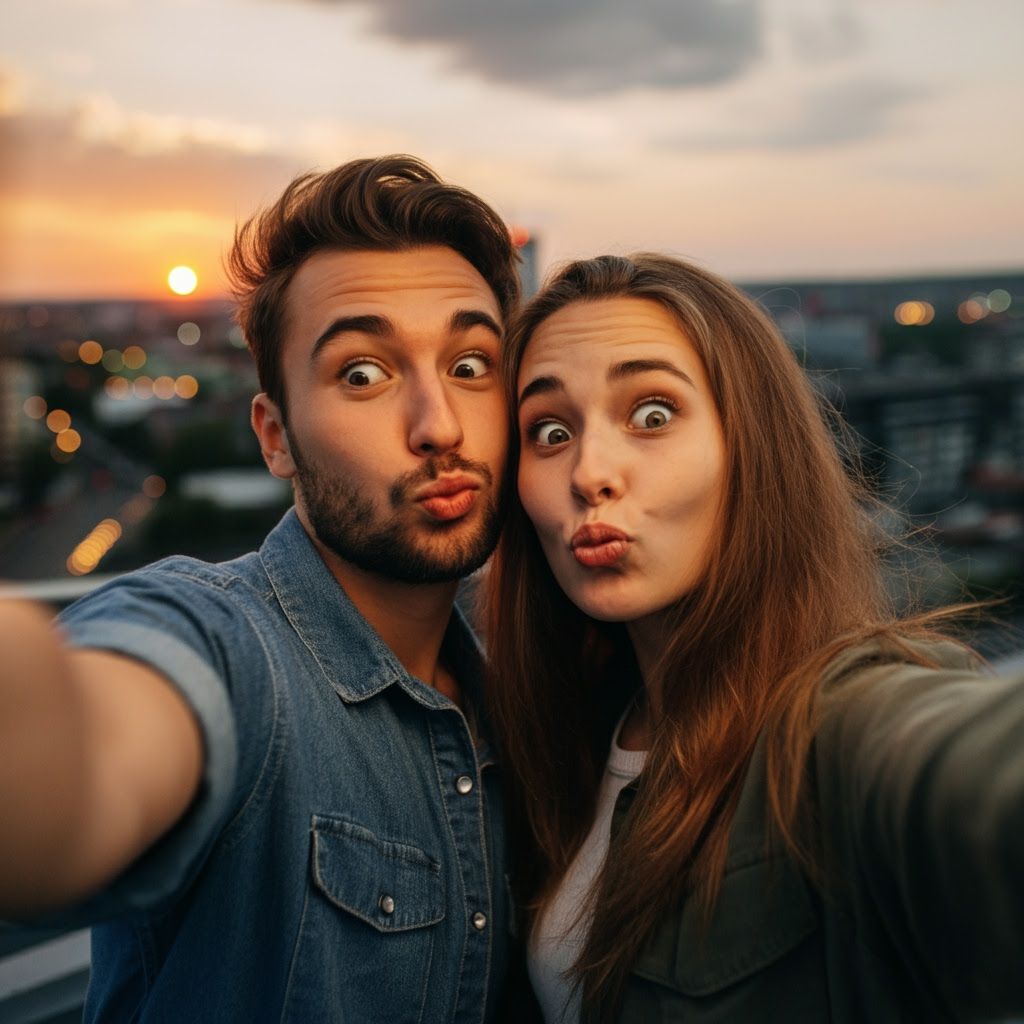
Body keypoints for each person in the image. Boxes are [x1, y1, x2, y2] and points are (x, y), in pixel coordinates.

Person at [0, 155, 521, 1022]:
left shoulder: (526, 692)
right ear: (275, 438)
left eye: (472, 364)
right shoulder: (230, 648)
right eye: (363, 373)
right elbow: (97, 759)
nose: (440, 425)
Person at [485, 252, 1024, 1023]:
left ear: (751, 448)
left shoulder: (837, 727)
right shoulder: (561, 741)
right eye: (548, 429)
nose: (588, 471)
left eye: (653, 414)